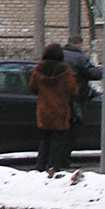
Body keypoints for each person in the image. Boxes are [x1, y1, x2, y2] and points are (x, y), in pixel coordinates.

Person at [29, 42, 79, 172]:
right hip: (60, 110)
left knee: (44, 140)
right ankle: (54, 166)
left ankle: (40, 165)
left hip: (44, 110)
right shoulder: (65, 71)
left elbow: (32, 87)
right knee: (57, 140)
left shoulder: (38, 70)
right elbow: (73, 89)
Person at [62, 35, 103, 126]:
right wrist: (103, 70)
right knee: (74, 121)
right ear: (79, 45)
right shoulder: (79, 58)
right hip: (75, 95)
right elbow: (92, 73)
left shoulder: (59, 55)